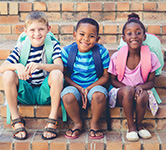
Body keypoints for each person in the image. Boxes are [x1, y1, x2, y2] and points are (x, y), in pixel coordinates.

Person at [0, 11, 63, 140]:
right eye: (32, 30)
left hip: (45, 93)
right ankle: (16, 119)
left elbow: (60, 67)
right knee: (7, 74)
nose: (37, 33)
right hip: (26, 91)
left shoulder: (53, 45)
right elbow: (3, 67)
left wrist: (41, 65)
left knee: (56, 73)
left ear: (48, 29)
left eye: (41, 29)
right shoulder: (21, 47)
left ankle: (52, 119)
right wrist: (17, 66)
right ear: (25, 31)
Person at [108, 13, 161, 142]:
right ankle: (131, 126)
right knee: (129, 91)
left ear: (144, 36)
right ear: (124, 38)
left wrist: (140, 87)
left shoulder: (151, 57)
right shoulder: (116, 57)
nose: (134, 36)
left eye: (138, 33)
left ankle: (139, 125)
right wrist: (129, 88)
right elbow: (113, 80)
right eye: (129, 34)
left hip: (140, 90)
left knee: (143, 94)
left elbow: (151, 82)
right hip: (121, 92)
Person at [61, 18, 110, 139]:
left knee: (99, 95)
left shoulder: (101, 52)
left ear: (97, 39)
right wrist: (79, 88)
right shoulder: (67, 51)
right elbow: (64, 75)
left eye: (91, 36)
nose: (86, 39)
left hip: (94, 85)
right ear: (74, 35)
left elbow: (106, 76)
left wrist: (88, 88)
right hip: (73, 85)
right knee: (67, 96)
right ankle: (78, 123)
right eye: (82, 34)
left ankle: (94, 123)